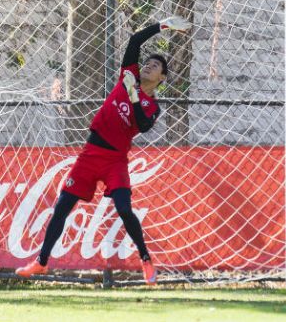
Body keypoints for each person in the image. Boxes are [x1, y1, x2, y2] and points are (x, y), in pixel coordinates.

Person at [15, 16, 190, 285]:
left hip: (115, 161)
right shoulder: (126, 76)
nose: (148, 66)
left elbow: (143, 126)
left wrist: (133, 95)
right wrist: (162, 25)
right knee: (62, 207)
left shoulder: (151, 105)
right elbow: (134, 41)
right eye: (147, 62)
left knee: (123, 208)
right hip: (90, 154)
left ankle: (146, 261)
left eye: (155, 66)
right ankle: (41, 262)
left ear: (162, 77)